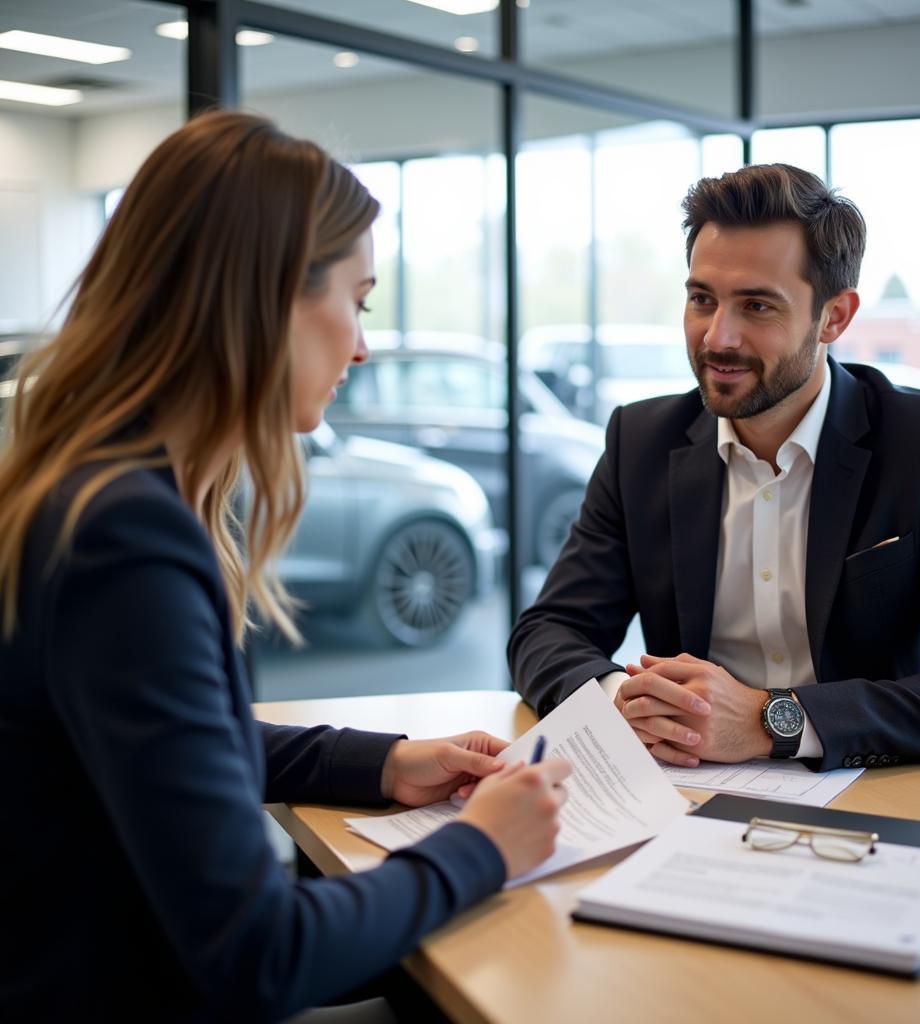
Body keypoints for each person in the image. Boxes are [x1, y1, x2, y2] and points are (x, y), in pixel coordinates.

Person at [0, 110, 571, 1024]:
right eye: (360, 298)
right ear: (264, 297)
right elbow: (259, 956)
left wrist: (387, 763)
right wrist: (482, 848)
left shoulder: (93, 491)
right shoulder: (127, 541)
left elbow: (176, 744)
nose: (362, 344)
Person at [509, 162, 920, 772]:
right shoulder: (640, 440)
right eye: (702, 299)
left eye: (757, 306)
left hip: (869, 790)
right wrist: (626, 700)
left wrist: (769, 719)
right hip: (684, 789)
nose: (717, 337)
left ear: (834, 316)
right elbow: (546, 631)